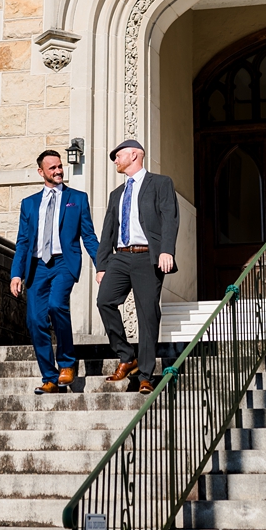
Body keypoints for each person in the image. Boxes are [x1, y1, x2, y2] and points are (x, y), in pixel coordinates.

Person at [11, 148, 99, 394]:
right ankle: (49, 377)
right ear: (41, 172)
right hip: (36, 267)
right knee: (35, 320)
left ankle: (68, 364)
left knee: (56, 305)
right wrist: (16, 274)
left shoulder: (77, 199)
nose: (59, 171)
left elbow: (89, 236)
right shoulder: (29, 204)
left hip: (63, 263)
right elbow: (23, 242)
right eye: (53, 168)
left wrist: (102, 264)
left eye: (60, 166)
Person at [95, 139, 179, 394]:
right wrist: (102, 264)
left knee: (147, 314)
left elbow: (170, 218)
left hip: (146, 256)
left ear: (134, 155)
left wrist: (167, 250)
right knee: (104, 301)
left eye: (118, 155)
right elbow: (108, 230)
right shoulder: (116, 194)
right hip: (120, 257)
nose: (115, 160)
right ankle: (126, 354)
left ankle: (145, 375)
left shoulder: (160, 183)